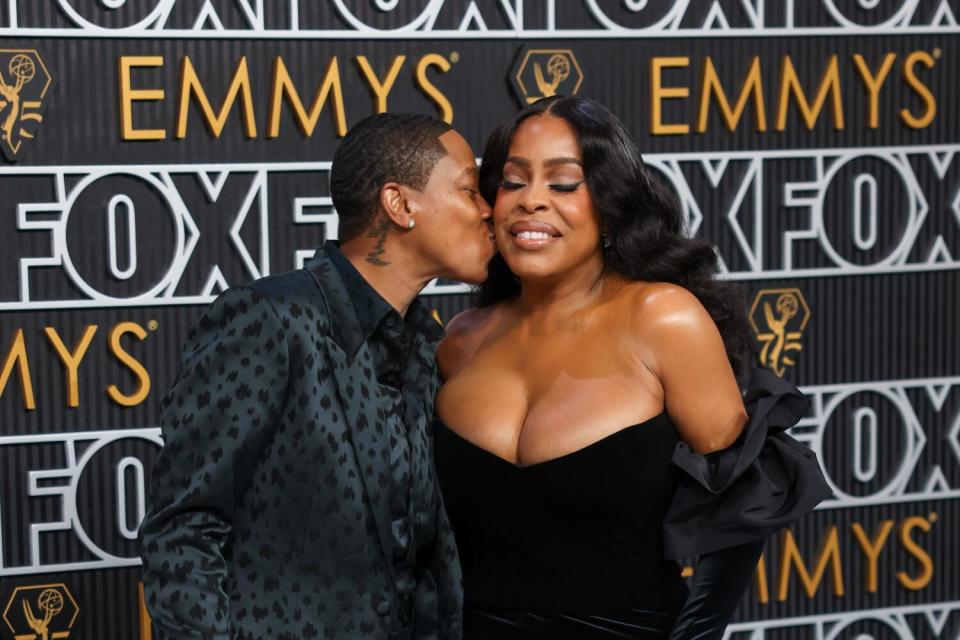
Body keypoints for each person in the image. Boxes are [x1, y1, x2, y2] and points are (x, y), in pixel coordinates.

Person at [433, 97, 831, 639]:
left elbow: (740, 514)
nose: (532, 201)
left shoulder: (664, 320)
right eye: (513, 181)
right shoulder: (459, 342)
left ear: (611, 205)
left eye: (564, 183)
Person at [139, 113, 495, 640]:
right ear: (400, 205)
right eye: (470, 190)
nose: (489, 210)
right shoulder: (270, 321)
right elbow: (184, 529)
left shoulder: (428, 343)